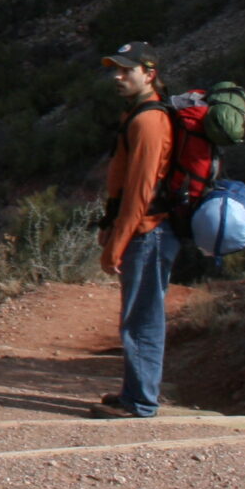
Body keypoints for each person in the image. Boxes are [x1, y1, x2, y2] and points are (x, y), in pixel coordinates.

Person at [96, 40, 177, 418]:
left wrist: (117, 242)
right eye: (116, 68)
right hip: (144, 231)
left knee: (143, 317)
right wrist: (109, 227)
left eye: (127, 70)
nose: (118, 76)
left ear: (149, 74)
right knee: (137, 313)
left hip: (149, 231)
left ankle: (141, 402)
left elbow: (140, 192)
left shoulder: (147, 121)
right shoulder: (136, 115)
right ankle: (134, 393)